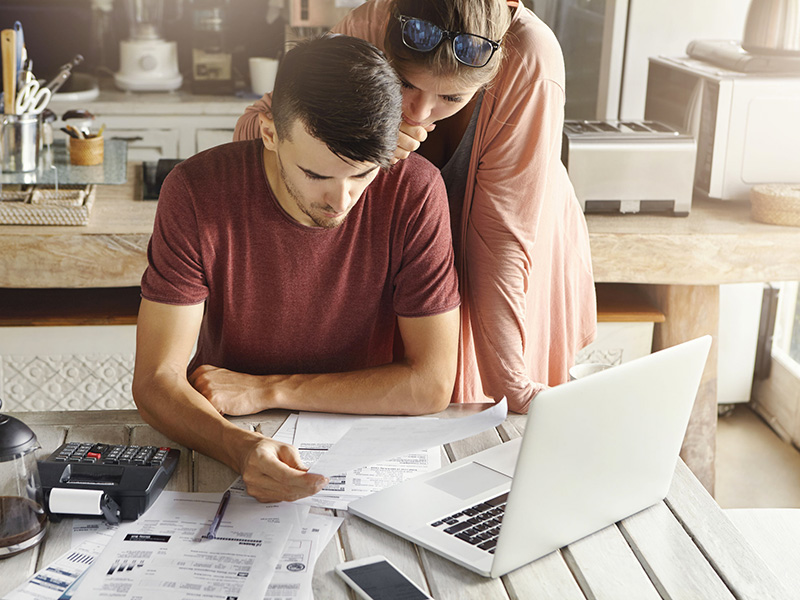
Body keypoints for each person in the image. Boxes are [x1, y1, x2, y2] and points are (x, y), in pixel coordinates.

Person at [133, 35, 461, 503]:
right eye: (316, 175)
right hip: (231, 430)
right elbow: (155, 380)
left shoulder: (416, 192)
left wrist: (268, 389)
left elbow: (430, 385)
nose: (341, 201)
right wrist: (242, 449)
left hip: (365, 445)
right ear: (269, 133)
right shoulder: (195, 192)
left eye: (363, 174)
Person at [235, 0, 597, 415]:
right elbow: (258, 128)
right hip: (412, 270)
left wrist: (513, 382)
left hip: (514, 261)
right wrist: (367, 132)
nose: (421, 112)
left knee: (497, 420)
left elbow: (501, 240)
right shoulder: (371, 23)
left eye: (452, 95)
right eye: (404, 82)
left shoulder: (529, 55)